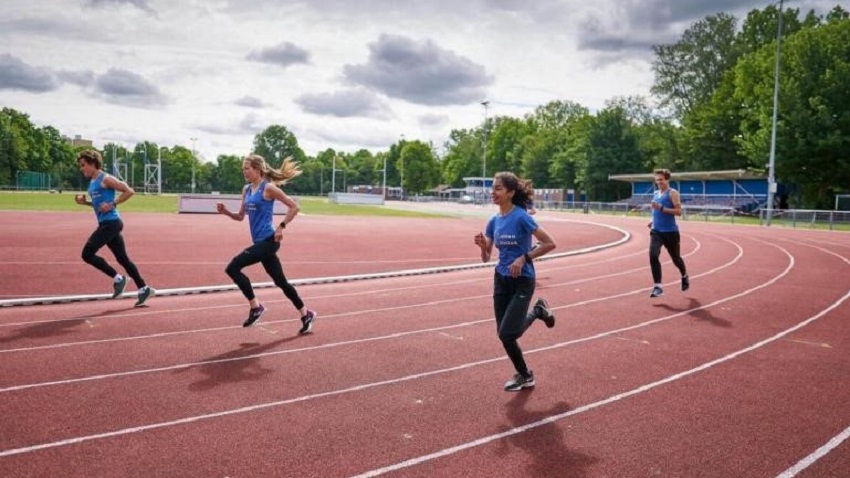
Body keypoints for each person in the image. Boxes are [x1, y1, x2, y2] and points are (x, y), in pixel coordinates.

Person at [474, 172, 557, 392]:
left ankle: (538, 311)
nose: (493, 192)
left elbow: (550, 243)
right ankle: (525, 375)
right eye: (493, 188)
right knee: (504, 335)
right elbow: (486, 258)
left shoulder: (521, 217)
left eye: (498, 189)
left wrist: (524, 257)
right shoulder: (494, 221)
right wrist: (483, 246)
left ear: (510, 193)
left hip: (522, 280)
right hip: (501, 280)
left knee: (507, 333)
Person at [216, 153, 316, 333]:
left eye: (247, 168)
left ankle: (255, 307)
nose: (244, 172)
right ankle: (306, 313)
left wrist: (281, 226)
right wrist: (225, 212)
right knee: (281, 282)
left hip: (270, 241)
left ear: (257, 169)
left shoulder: (268, 188)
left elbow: (294, 207)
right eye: (243, 169)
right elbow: (240, 217)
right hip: (261, 243)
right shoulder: (246, 190)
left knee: (232, 267)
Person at [75, 150, 155, 306]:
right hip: (106, 223)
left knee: (87, 254)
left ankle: (119, 279)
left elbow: (129, 191)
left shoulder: (106, 178)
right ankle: (143, 288)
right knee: (123, 259)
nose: (81, 168)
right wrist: (84, 203)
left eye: (83, 165)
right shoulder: (92, 182)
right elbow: (100, 206)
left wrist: (113, 204)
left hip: (112, 223)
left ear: (92, 164)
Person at [647, 168, 689, 298]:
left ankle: (684, 275)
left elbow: (679, 212)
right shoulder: (655, 193)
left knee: (676, 259)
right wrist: (651, 220)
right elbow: (655, 211)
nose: (659, 182)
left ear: (667, 179)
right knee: (653, 255)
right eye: (656, 180)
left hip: (670, 232)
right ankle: (658, 287)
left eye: (661, 180)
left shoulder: (673, 193)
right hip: (656, 231)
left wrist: (662, 208)